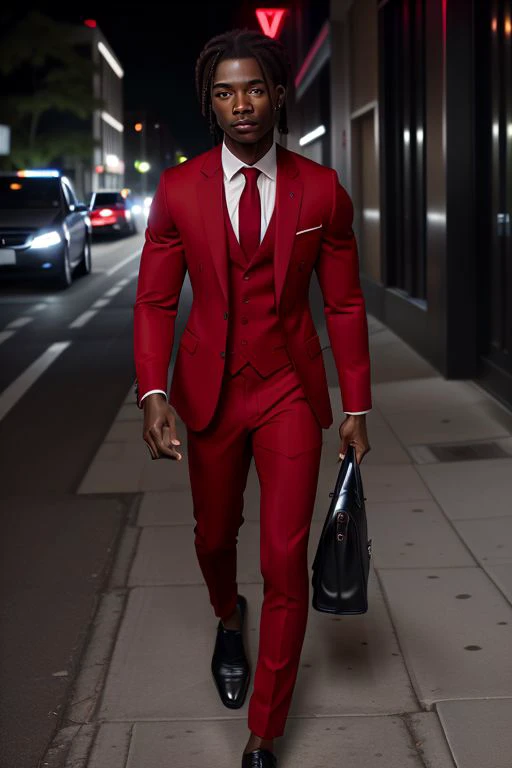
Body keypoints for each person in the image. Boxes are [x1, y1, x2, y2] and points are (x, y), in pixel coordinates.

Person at [133, 27, 372, 768]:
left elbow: (344, 305)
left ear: (277, 96)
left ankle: (265, 732)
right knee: (213, 538)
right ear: (211, 103)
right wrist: (152, 392)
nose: (242, 103)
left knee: (283, 557)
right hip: (208, 393)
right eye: (226, 91)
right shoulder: (178, 190)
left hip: (289, 394)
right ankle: (224, 616)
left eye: (255, 88)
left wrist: (356, 403)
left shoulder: (321, 190)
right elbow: (155, 301)